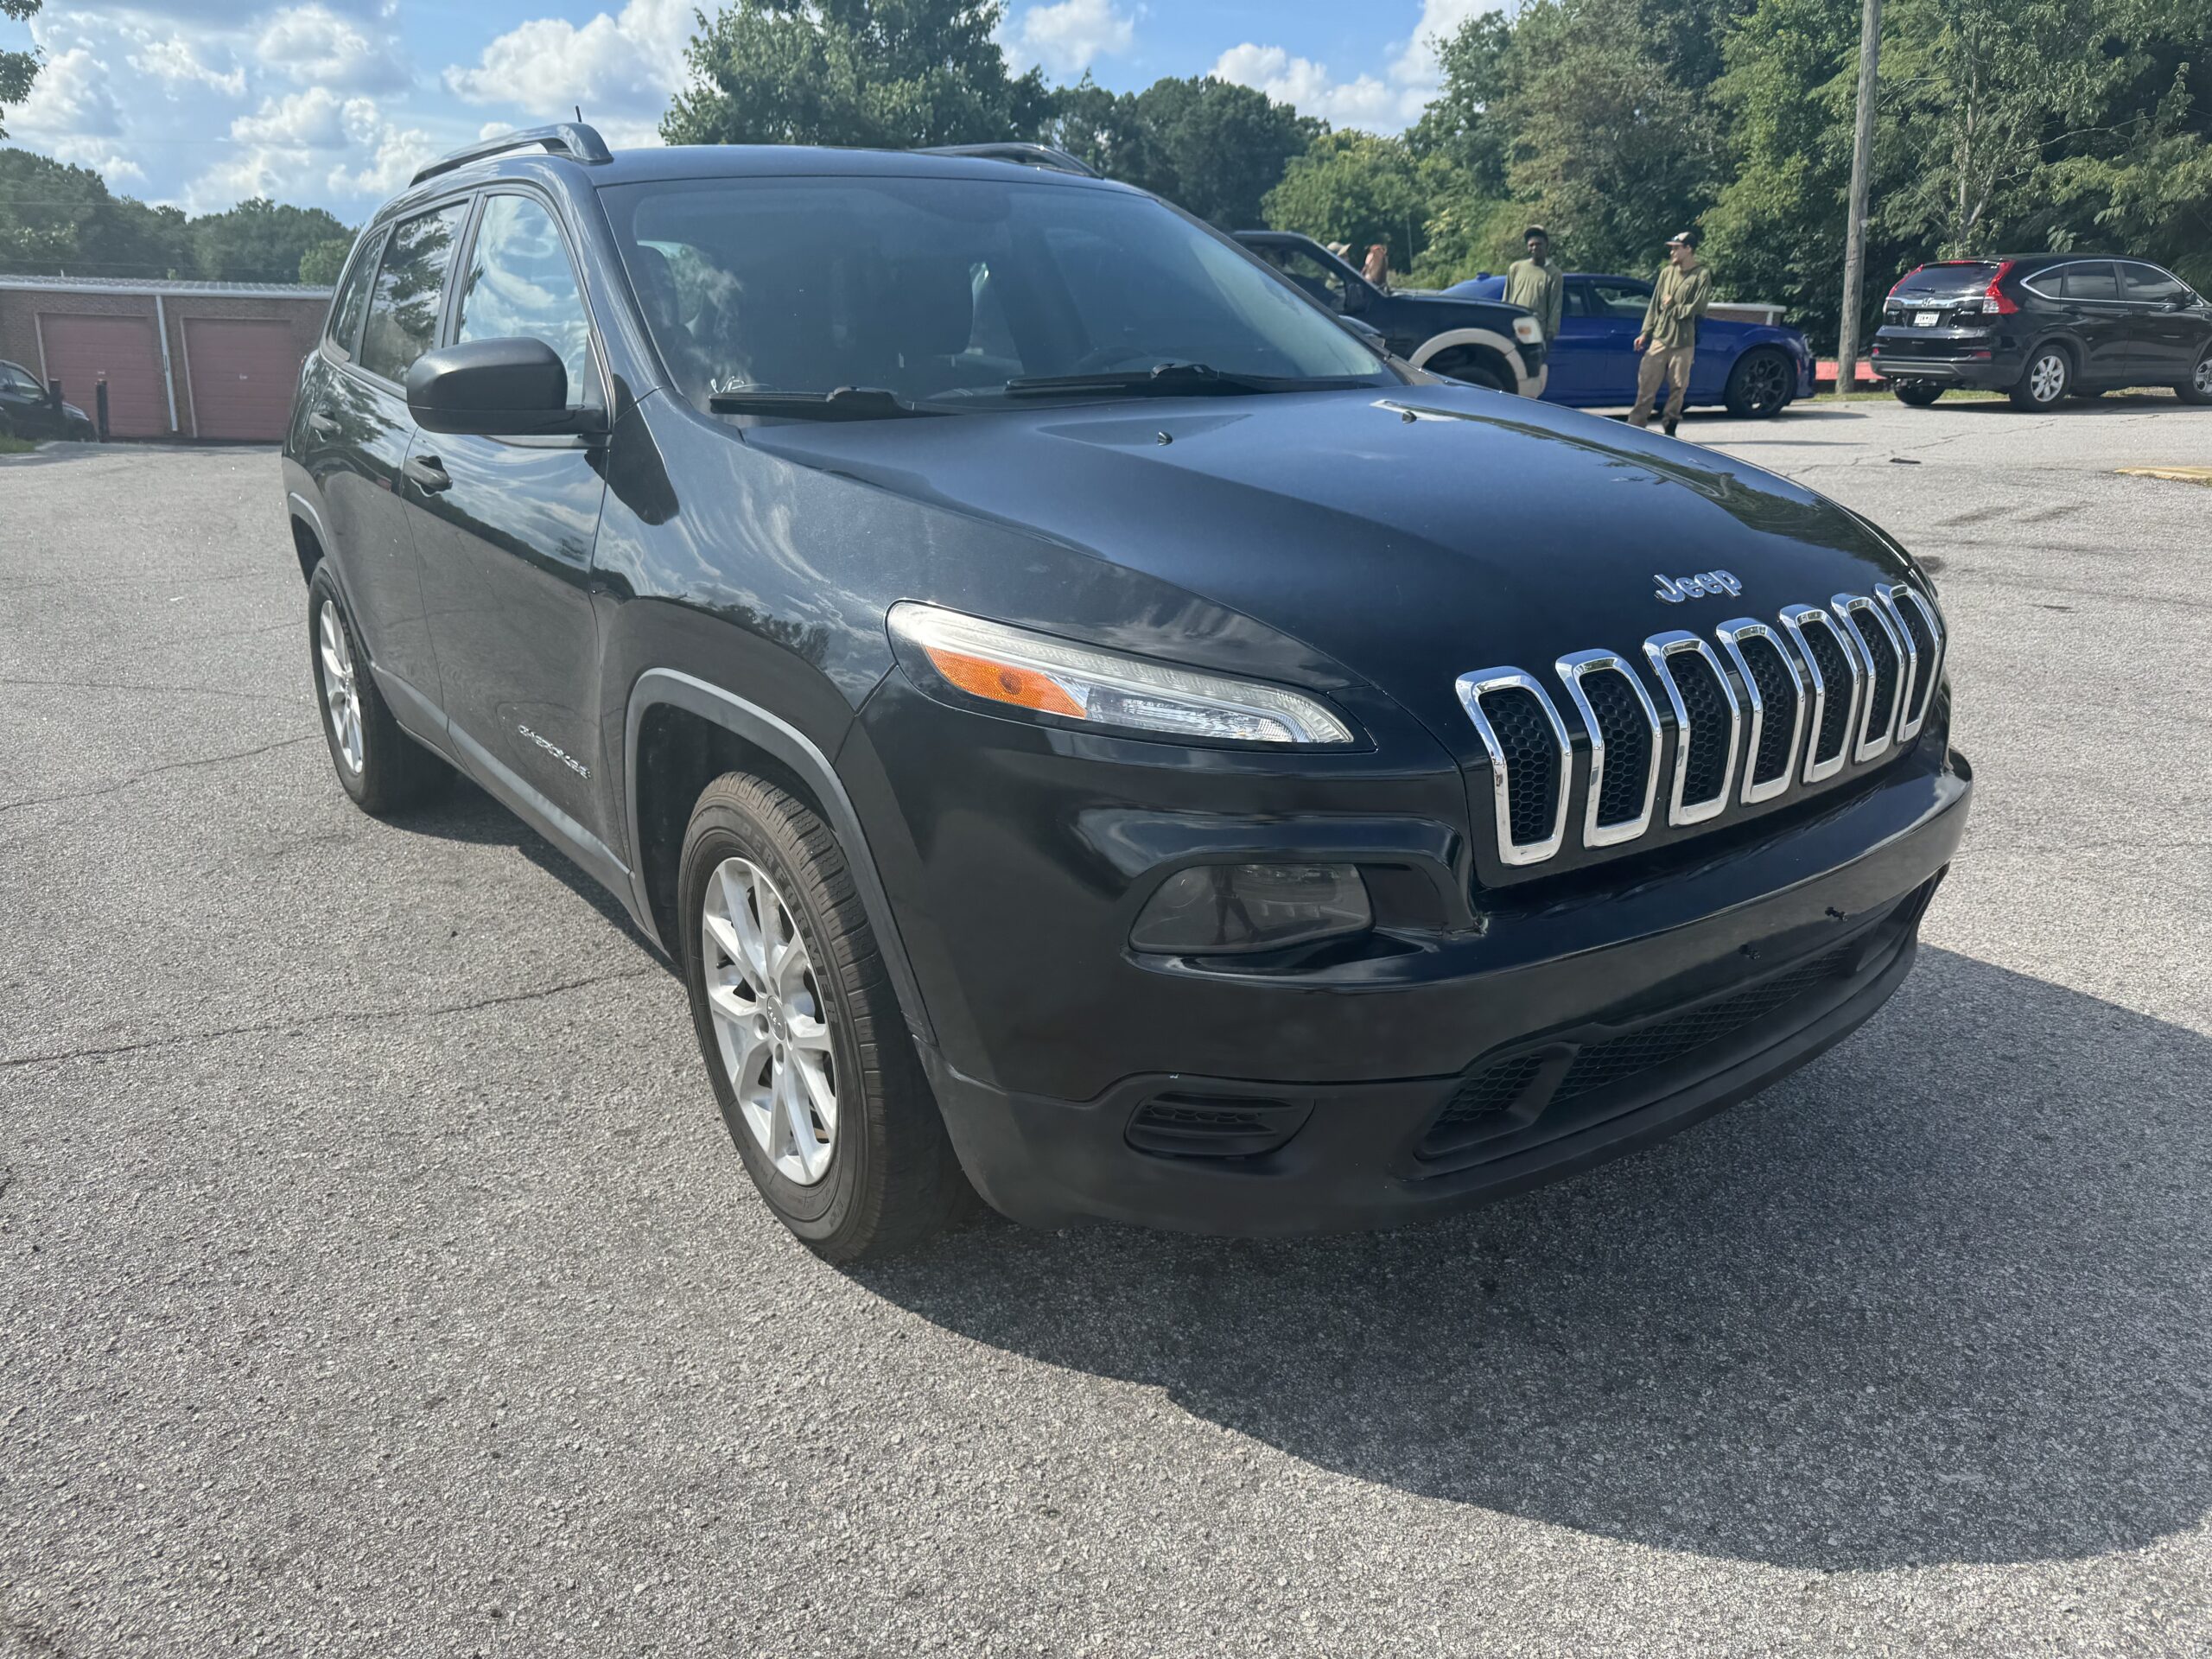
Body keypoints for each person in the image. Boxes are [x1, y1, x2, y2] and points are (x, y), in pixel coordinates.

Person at [1630, 230, 1712, 436]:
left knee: (1678, 387)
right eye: (1672, 248)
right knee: (1646, 385)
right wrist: (1645, 332)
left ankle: (1670, 425)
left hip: (1684, 341)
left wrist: (1674, 307)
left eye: (1676, 248)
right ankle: (1635, 427)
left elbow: (1699, 307)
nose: (1672, 252)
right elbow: (1655, 304)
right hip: (1660, 337)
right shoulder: (1667, 273)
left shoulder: (1701, 274)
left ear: (1688, 249)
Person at [1503, 226, 1564, 346]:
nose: (1535, 247)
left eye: (1539, 244)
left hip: (1535, 329)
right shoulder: (1516, 268)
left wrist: (1551, 332)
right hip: (1515, 326)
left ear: (1546, 245)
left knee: (1531, 363)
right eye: (1531, 245)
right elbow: (1506, 298)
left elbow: (1555, 305)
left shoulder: (1554, 274)